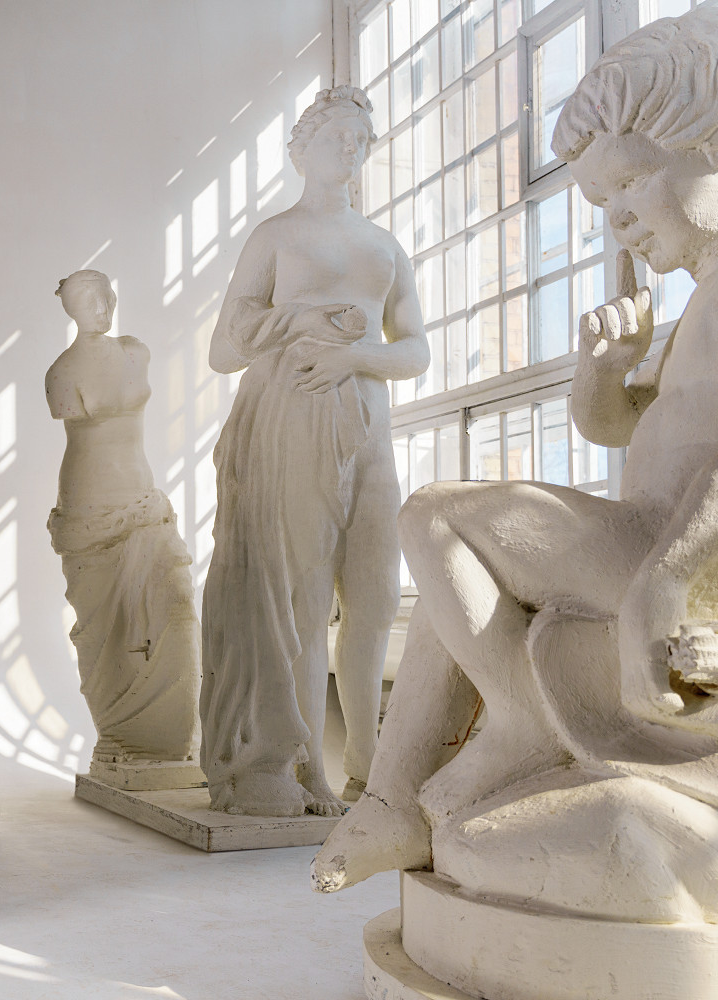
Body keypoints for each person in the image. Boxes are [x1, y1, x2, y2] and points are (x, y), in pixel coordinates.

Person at [311, 9, 718, 923]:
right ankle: (406, 789)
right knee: (454, 574)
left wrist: (669, 580)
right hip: (641, 541)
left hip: (681, 559)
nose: (618, 218)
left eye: (630, 181)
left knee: (437, 516)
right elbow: (617, 429)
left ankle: (510, 724)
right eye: (600, 202)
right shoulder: (703, 303)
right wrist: (604, 373)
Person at [202, 86, 429, 816]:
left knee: (373, 600)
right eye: (337, 136)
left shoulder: (384, 246)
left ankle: (369, 772)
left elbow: (415, 350)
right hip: (296, 426)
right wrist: (302, 319)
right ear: (302, 149)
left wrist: (353, 356)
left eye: (362, 139)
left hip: (370, 431)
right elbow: (223, 350)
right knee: (300, 600)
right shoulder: (276, 236)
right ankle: (306, 771)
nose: (352, 149)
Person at [44, 269, 200, 768]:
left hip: (142, 497)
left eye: (105, 296)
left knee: (175, 604)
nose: (100, 306)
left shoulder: (136, 352)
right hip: (89, 502)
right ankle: (120, 735)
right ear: (70, 309)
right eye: (86, 300)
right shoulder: (62, 372)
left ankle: (170, 738)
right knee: (103, 629)